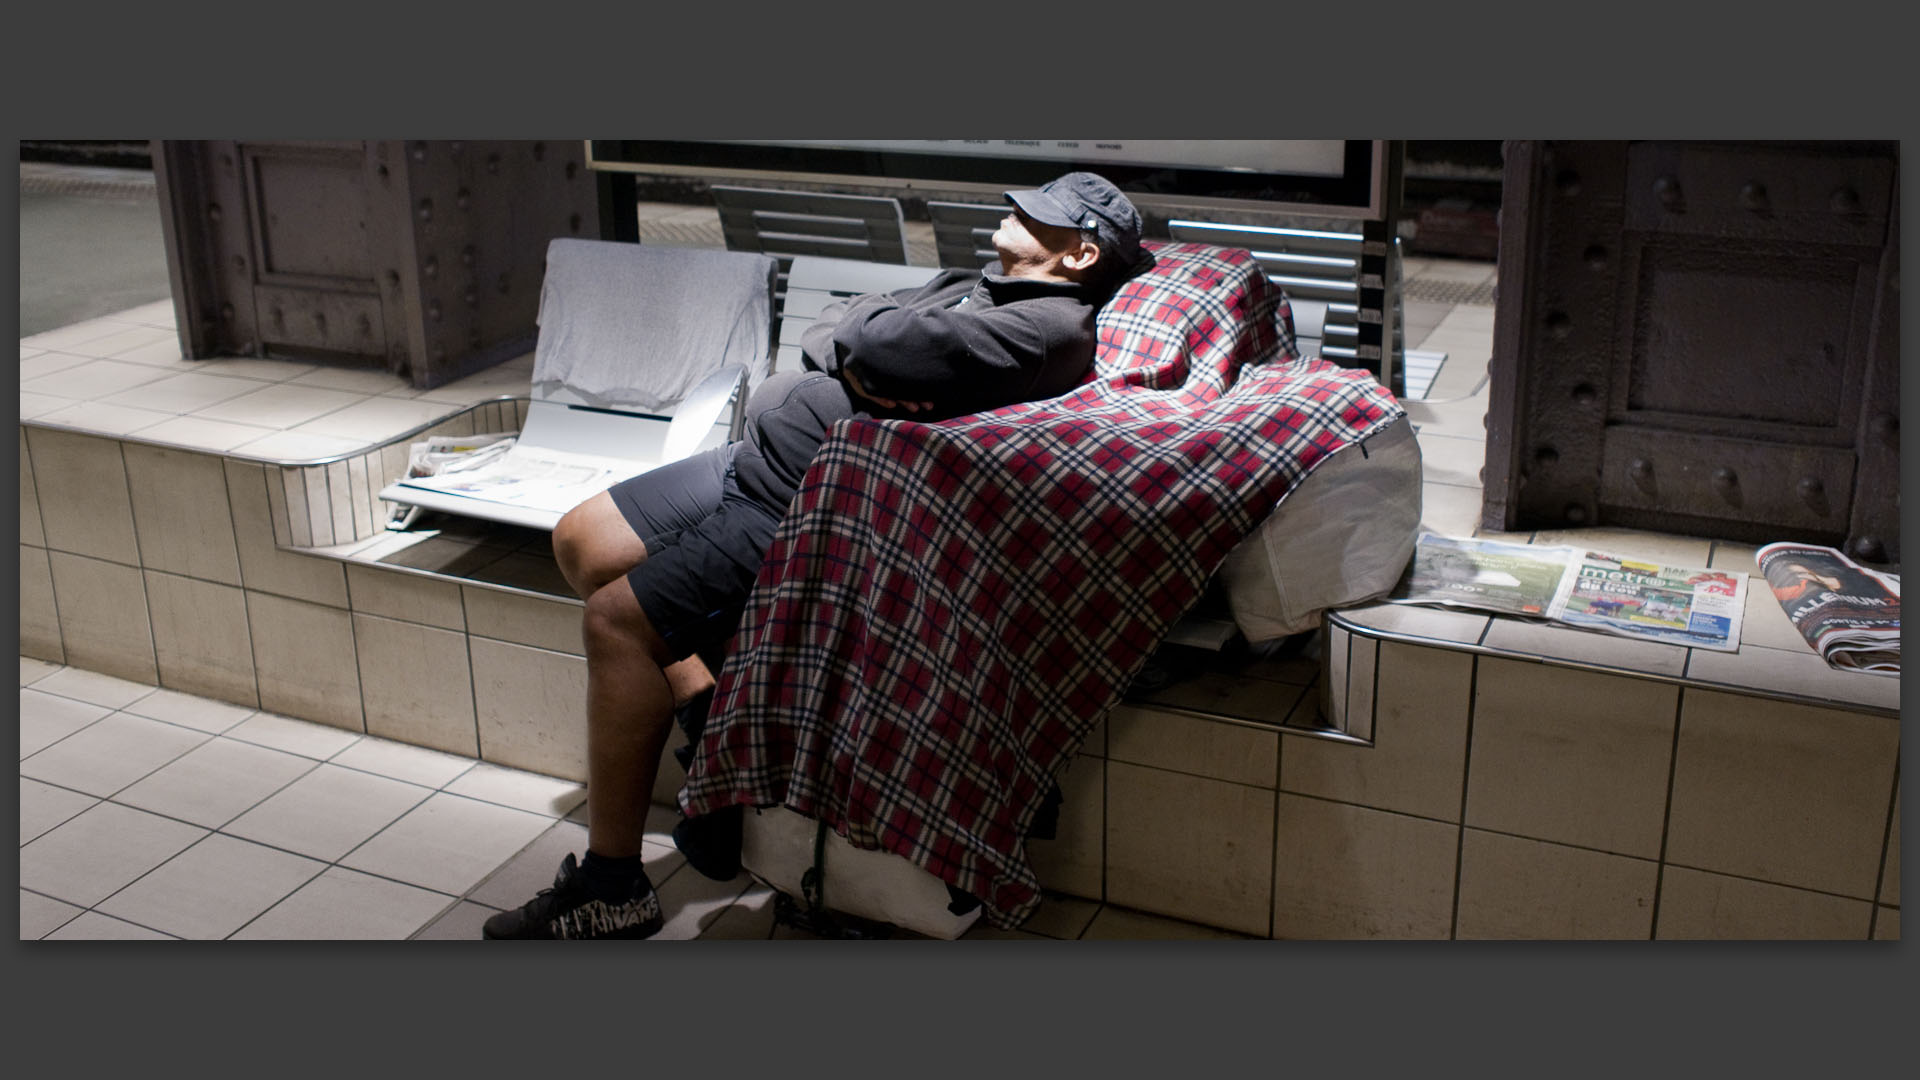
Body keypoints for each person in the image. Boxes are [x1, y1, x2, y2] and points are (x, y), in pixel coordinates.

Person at [483, 172, 1146, 939]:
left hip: (806, 504)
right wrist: (857, 354)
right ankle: (710, 717)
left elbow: (872, 340)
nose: (1013, 210)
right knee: (581, 539)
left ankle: (614, 887)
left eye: (1039, 215)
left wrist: (857, 348)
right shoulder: (979, 284)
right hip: (754, 460)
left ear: (1078, 254)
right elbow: (853, 326)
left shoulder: (1043, 332)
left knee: (614, 620)